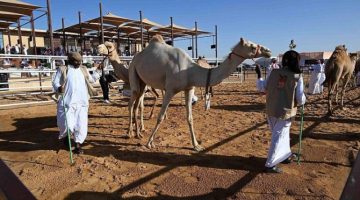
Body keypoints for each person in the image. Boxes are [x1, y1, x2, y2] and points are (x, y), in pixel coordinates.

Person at [264, 50, 306, 173]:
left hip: (271, 108)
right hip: (285, 111)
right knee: (279, 136)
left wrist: (259, 77)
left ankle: (285, 155)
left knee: (282, 134)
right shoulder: (297, 76)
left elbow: (263, 87)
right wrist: (304, 100)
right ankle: (270, 164)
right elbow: (300, 98)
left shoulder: (273, 72)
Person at [52, 52, 97, 154]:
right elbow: (55, 82)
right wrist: (59, 88)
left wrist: (98, 72)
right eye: (76, 61)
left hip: (82, 103)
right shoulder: (63, 69)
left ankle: (78, 145)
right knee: (66, 125)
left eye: (80, 61)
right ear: (70, 60)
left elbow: (92, 79)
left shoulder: (83, 69)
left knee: (81, 125)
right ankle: (66, 138)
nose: (78, 63)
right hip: (67, 103)